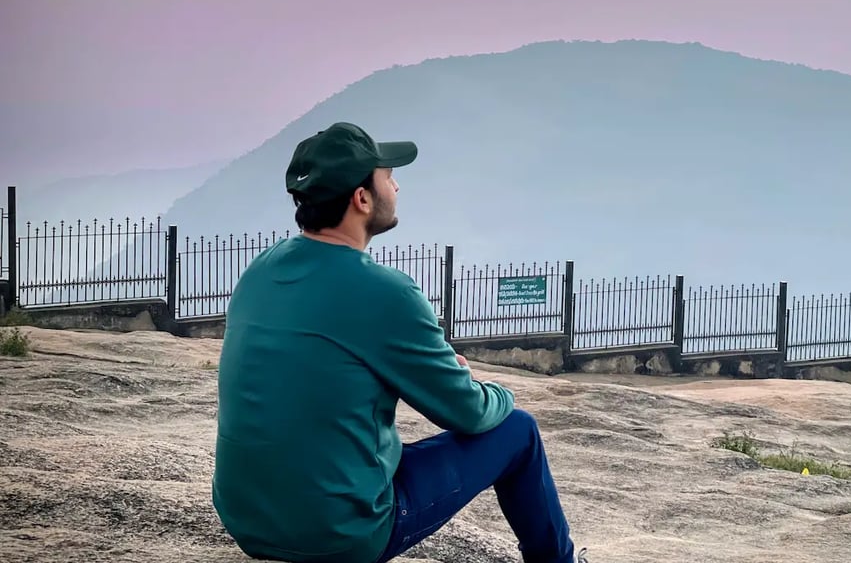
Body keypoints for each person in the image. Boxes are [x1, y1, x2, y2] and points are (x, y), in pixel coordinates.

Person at [212, 122, 587, 563]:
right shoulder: (384, 292)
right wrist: (491, 390)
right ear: (362, 198)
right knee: (517, 430)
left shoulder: (260, 270)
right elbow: (467, 413)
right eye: (387, 176)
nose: (396, 185)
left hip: (246, 518)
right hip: (339, 535)